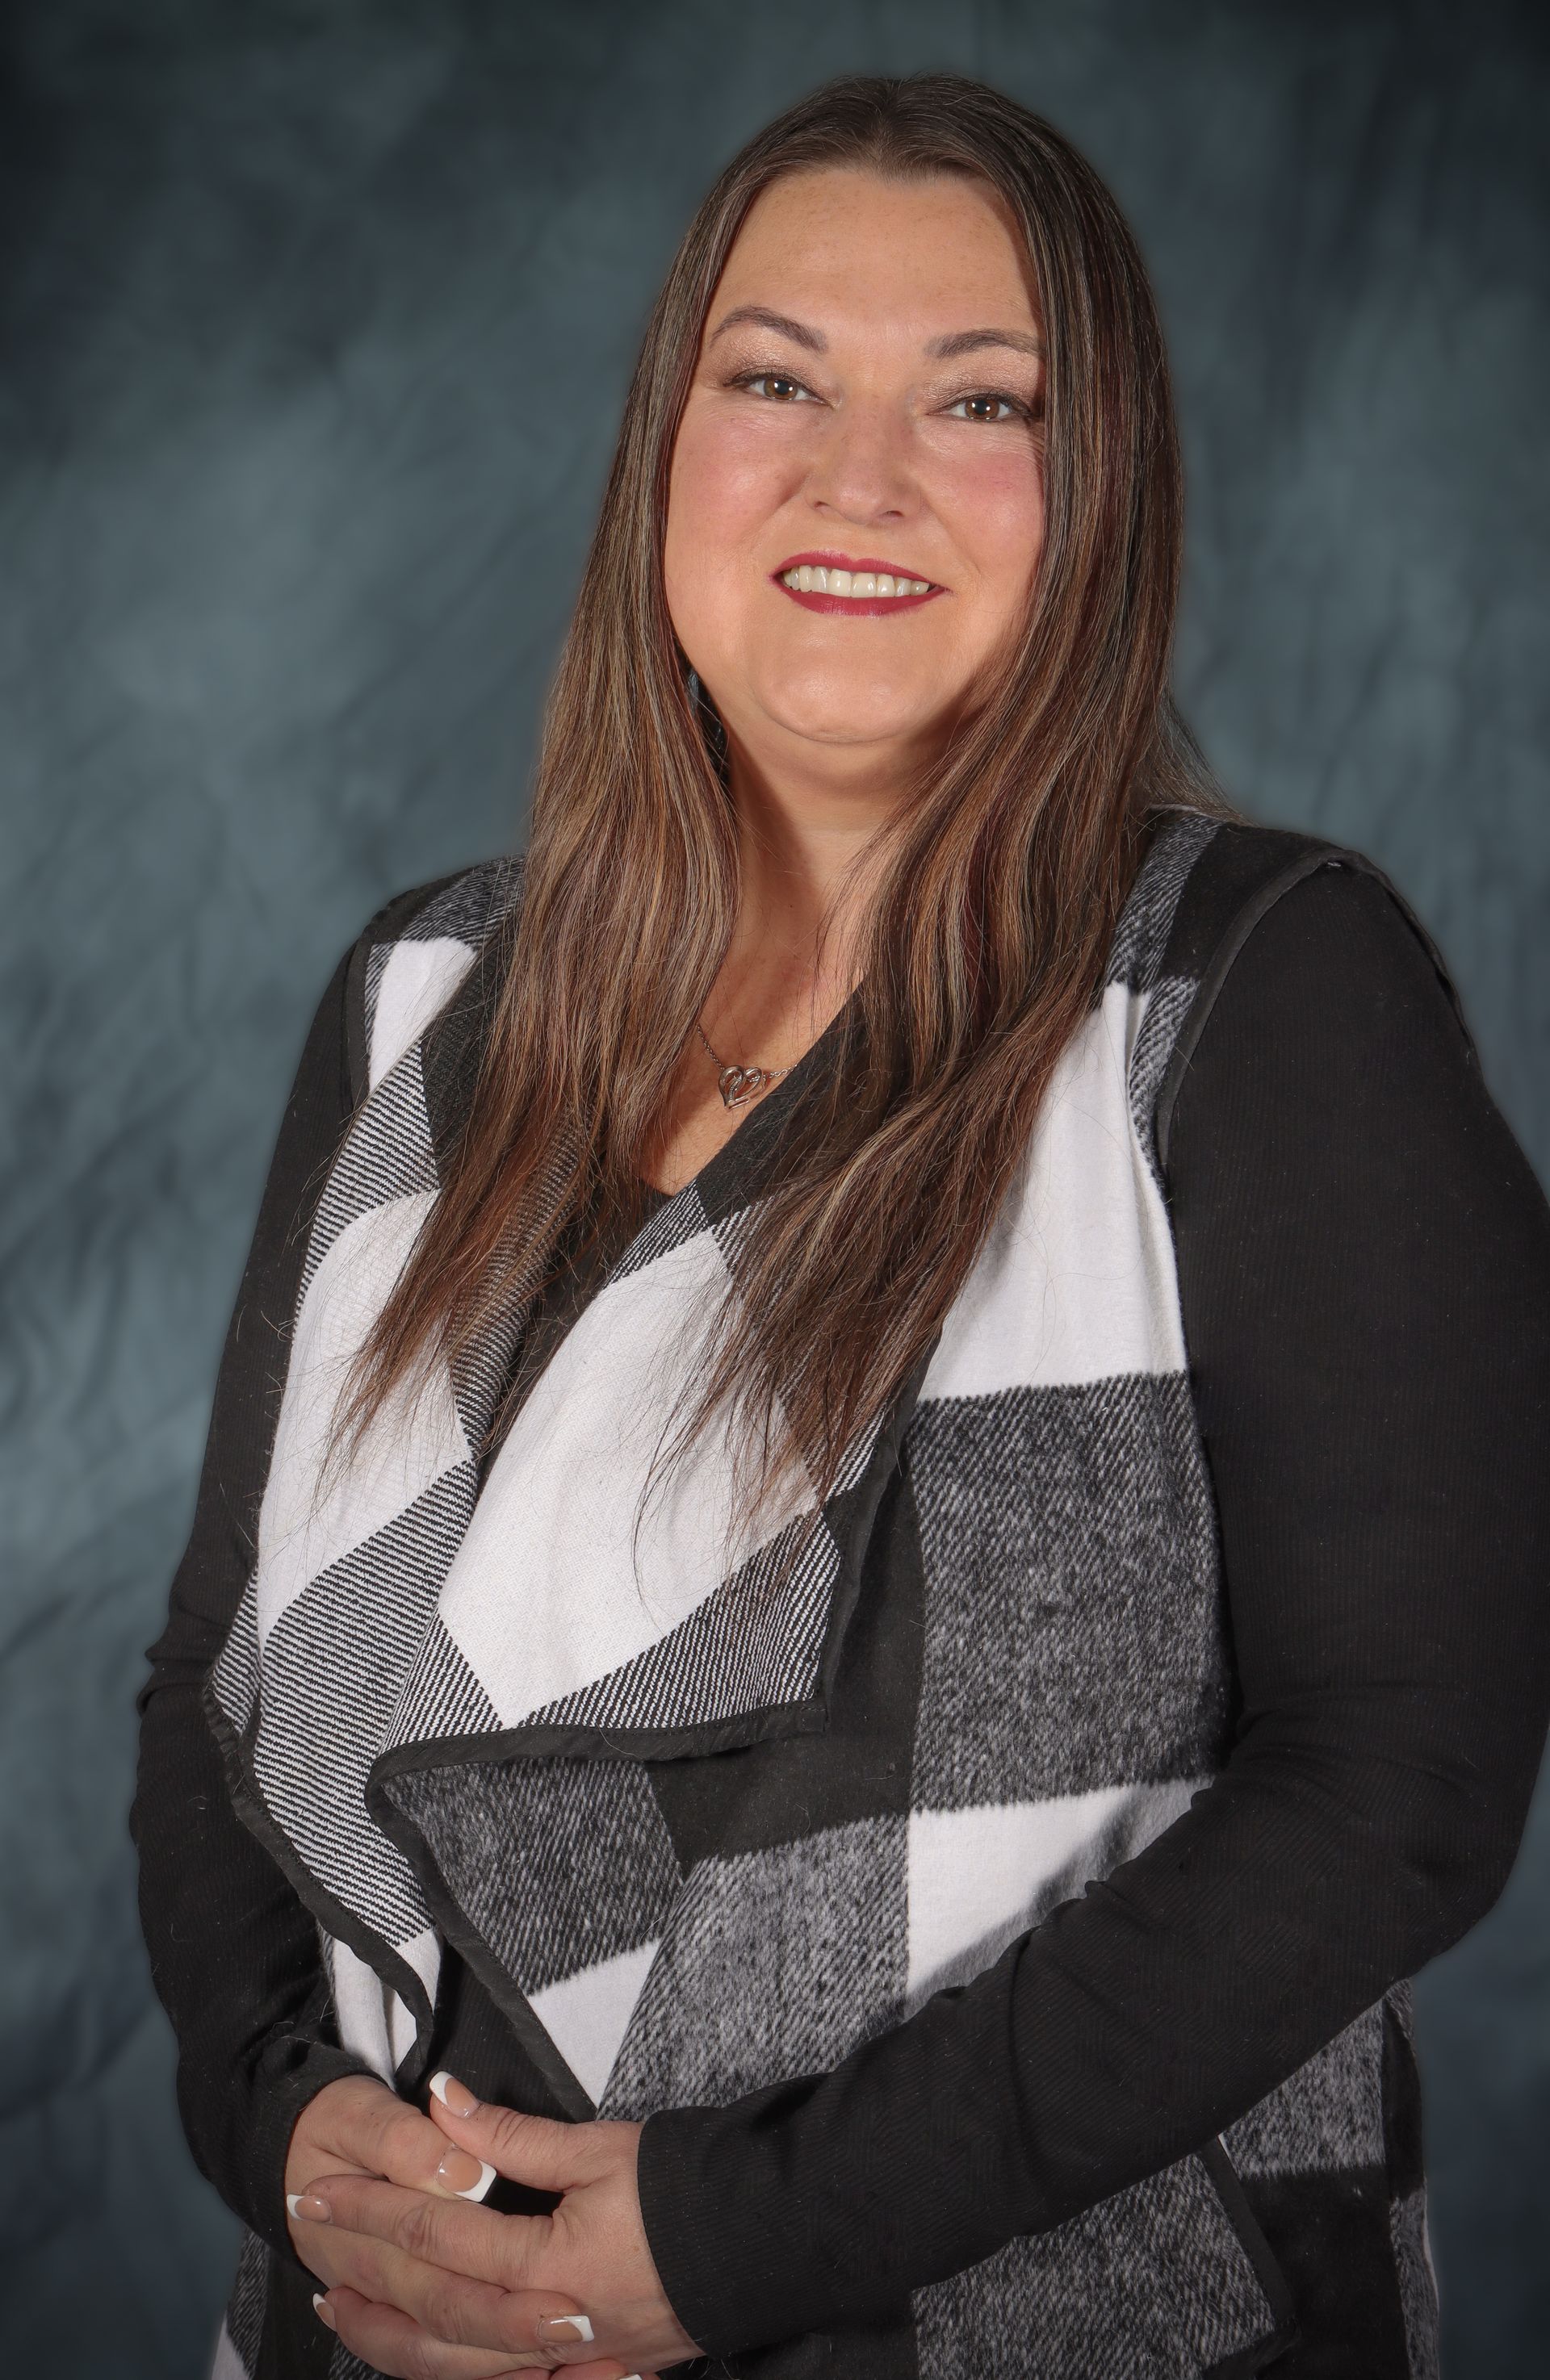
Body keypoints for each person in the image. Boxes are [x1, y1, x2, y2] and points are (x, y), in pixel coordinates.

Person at [134, 71, 1550, 2380]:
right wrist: (283, 2137)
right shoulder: (419, 1006)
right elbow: (212, 1676)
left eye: (978, 401)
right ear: (663, 459)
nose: (855, 475)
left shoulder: (1256, 994)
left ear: (1094, 499)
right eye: (774, 378)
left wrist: (723, 2239)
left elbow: (1399, 1786)